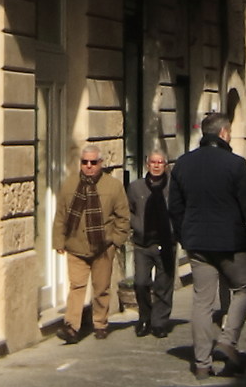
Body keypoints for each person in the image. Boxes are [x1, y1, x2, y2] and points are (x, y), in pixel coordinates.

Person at [167, 110, 246, 378]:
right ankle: (228, 340)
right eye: (230, 132)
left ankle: (201, 363)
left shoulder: (182, 164)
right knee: (244, 289)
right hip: (232, 242)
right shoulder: (235, 164)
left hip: (197, 243)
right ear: (223, 133)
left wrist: (183, 235)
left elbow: (174, 208)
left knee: (202, 300)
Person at [57, 144, 129, 341]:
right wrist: (59, 241)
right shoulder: (70, 185)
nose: (88, 166)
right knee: (77, 286)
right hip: (75, 245)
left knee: (101, 287)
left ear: (100, 163)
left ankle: (100, 323)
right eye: (84, 162)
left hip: (103, 246)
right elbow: (61, 215)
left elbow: (123, 217)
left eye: (93, 162)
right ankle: (71, 326)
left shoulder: (113, 186)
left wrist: (116, 240)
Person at [126, 148, 178, 338]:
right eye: (153, 162)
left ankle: (159, 322)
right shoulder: (136, 187)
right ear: (147, 164)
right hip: (143, 243)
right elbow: (128, 210)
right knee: (140, 282)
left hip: (166, 242)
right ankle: (145, 317)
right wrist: (136, 225)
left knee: (163, 284)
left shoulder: (174, 187)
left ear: (166, 165)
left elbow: (181, 209)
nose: (156, 166)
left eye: (160, 162)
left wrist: (174, 230)